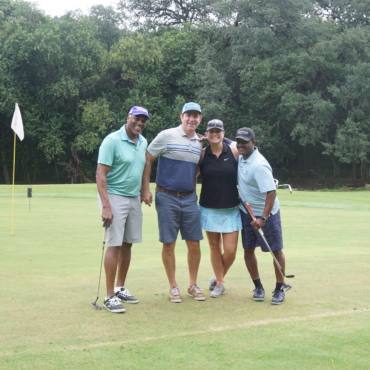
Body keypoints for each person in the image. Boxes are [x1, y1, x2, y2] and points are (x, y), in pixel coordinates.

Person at [141, 102, 206, 303]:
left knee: (194, 243)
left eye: (196, 116)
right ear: (181, 117)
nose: (192, 119)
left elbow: (195, 169)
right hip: (166, 196)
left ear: (200, 119)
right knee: (169, 243)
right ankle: (173, 286)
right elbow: (147, 158)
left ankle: (193, 284)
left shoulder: (199, 143)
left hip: (189, 198)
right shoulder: (166, 136)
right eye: (189, 115)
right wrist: (145, 189)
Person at [96, 106, 150, 313]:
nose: (140, 123)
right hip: (114, 196)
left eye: (143, 120)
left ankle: (120, 288)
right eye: (137, 118)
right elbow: (100, 175)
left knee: (128, 244)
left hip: (134, 196)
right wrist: (106, 207)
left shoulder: (143, 141)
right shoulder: (112, 141)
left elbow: (145, 166)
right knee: (114, 245)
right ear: (128, 117)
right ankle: (109, 296)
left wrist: (145, 190)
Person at [236, 127, 291, 305]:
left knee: (276, 250)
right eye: (239, 141)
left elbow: (271, 193)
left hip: (267, 214)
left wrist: (263, 218)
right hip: (247, 212)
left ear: (253, 143)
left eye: (245, 141)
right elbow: (226, 141)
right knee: (248, 250)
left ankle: (280, 287)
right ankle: (258, 286)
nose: (241, 144)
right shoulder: (241, 156)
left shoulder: (259, 165)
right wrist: (208, 138)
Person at [197, 119, 241, 298]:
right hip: (209, 208)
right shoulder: (201, 154)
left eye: (218, 131)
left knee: (230, 250)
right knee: (214, 247)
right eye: (211, 131)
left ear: (223, 133)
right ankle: (220, 283)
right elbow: (192, 176)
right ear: (206, 134)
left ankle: (217, 276)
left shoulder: (234, 151)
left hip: (231, 208)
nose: (214, 134)